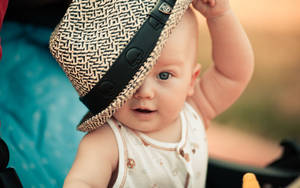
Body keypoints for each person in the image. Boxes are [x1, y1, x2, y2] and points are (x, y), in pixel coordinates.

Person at [49, 0, 254, 187]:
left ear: (191, 80)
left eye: (164, 75)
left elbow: (232, 74)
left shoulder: (194, 110)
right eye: (129, 82)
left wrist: (219, 16)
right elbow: (83, 182)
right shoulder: (107, 141)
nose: (145, 93)